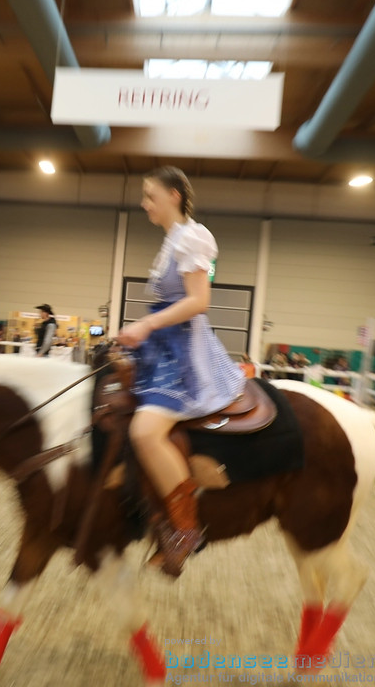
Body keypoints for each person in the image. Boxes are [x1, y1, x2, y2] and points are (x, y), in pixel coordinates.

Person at [116, 165, 245, 578]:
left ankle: (186, 529)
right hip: (161, 346)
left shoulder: (193, 237)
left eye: (150, 196)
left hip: (183, 352)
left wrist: (146, 324)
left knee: (143, 431)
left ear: (173, 196)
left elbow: (198, 301)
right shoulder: (173, 240)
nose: (144, 203)